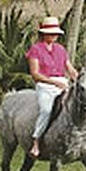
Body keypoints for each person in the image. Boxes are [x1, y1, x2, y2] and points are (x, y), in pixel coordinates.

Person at [26, 16, 78, 157]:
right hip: (44, 85)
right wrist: (54, 82)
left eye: (56, 33)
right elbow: (35, 74)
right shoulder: (35, 49)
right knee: (46, 110)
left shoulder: (61, 49)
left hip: (63, 83)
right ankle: (36, 140)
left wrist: (79, 78)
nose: (54, 36)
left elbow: (70, 69)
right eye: (51, 33)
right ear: (44, 34)